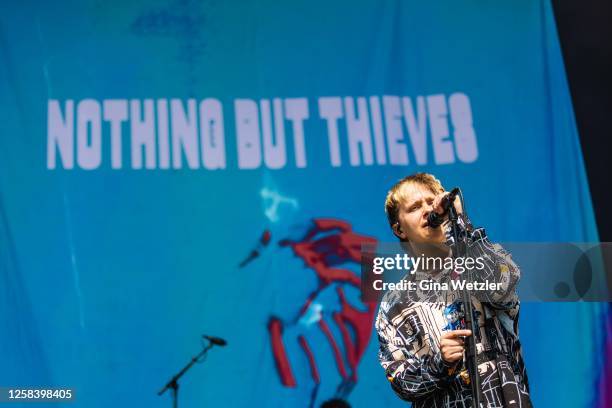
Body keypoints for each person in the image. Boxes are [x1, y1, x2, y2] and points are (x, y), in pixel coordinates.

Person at [375, 173, 532, 407]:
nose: (428, 210)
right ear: (399, 229)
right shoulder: (395, 303)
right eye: (415, 207)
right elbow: (400, 380)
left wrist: (462, 222)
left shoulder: (477, 264)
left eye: (432, 202)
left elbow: (504, 284)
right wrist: (441, 363)